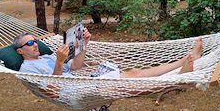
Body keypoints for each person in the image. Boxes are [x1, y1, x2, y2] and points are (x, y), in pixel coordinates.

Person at [13, 28, 203, 78]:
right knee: (133, 77)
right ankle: (180, 72)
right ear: (21, 51)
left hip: (80, 80)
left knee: (131, 71)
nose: (35, 44)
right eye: (30, 43)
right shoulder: (27, 68)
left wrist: (83, 44)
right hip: (71, 90)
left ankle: (181, 65)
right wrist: (59, 63)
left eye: (35, 41)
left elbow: (76, 66)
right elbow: (54, 88)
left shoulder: (46, 56)